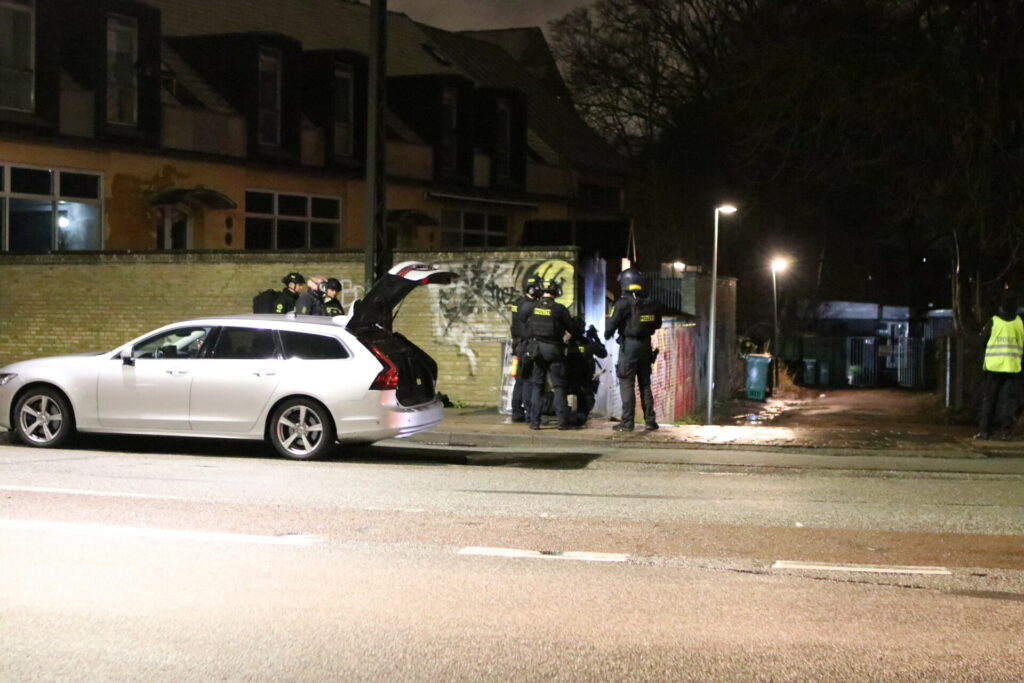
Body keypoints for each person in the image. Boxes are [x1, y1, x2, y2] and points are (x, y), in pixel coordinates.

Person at [605, 267, 662, 432]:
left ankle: (627, 422)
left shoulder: (622, 303)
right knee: (645, 384)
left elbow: (609, 328)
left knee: (627, 383)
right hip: (645, 347)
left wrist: (609, 334)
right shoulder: (651, 303)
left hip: (629, 347)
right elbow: (657, 324)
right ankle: (650, 421)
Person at [520, 278, 574, 430]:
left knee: (537, 386)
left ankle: (534, 422)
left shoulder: (531, 307)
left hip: (537, 350)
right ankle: (562, 423)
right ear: (555, 292)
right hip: (554, 350)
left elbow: (522, 323)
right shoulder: (559, 309)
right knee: (558, 386)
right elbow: (572, 328)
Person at [975, 293, 1024, 440]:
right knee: (1008, 401)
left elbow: (981, 342)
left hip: (993, 368)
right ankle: (1005, 432)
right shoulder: (1019, 323)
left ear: (1001, 307)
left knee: (989, 400)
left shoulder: (994, 322)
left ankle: (984, 431)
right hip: (1012, 368)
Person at [509, 275, 541, 423]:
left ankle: (517, 411)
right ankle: (529, 413)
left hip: (517, 345)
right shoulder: (530, 305)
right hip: (527, 345)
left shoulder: (517, 303)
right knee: (528, 381)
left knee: (520, 380)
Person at [565, 316, 608, 426]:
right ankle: (578, 418)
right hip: (584, 380)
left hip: (568, 379)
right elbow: (603, 353)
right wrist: (595, 337)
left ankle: (567, 416)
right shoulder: (588, 343)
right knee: (587, 402)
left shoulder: (566, 343)